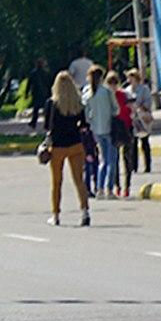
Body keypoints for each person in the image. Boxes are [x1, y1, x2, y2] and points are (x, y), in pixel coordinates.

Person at [42, 71, 92, 227]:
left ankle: (56, 215)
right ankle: (85, 212)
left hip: (57, 146)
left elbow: (47, 126)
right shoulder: (78, 103)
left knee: (57, 182)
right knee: (79, 180)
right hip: (76, 145)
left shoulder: (51, 103)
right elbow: (84, 125)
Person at [83, 66, 120, 199]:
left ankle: (99, 189)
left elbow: (86, 115)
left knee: (102, 160)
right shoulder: (107, 92)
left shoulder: (87, 93)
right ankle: (109, 189)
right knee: (112, 160)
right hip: (109, 128)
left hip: (96, 130)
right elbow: (116, 109)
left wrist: (93, 123)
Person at [125, 68, 154, 176]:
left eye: (131, 77)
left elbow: (148, 102)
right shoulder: (127, 90)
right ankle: (134, 166)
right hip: (132, 118)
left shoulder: (144, 89)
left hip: (143, 118)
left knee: (145, 142)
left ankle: (147, 166)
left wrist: (140, 106)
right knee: (133, 143)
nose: (130, 80)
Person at [25, 57, 51, 129]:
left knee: (36, 109)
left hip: (36, 92)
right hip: (44, 93)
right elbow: (49, 83)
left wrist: (26, 93)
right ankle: (47, 123)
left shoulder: (33, 73)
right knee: (45, 109)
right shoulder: (45, 73)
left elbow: (29, 84)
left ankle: (33, 122)